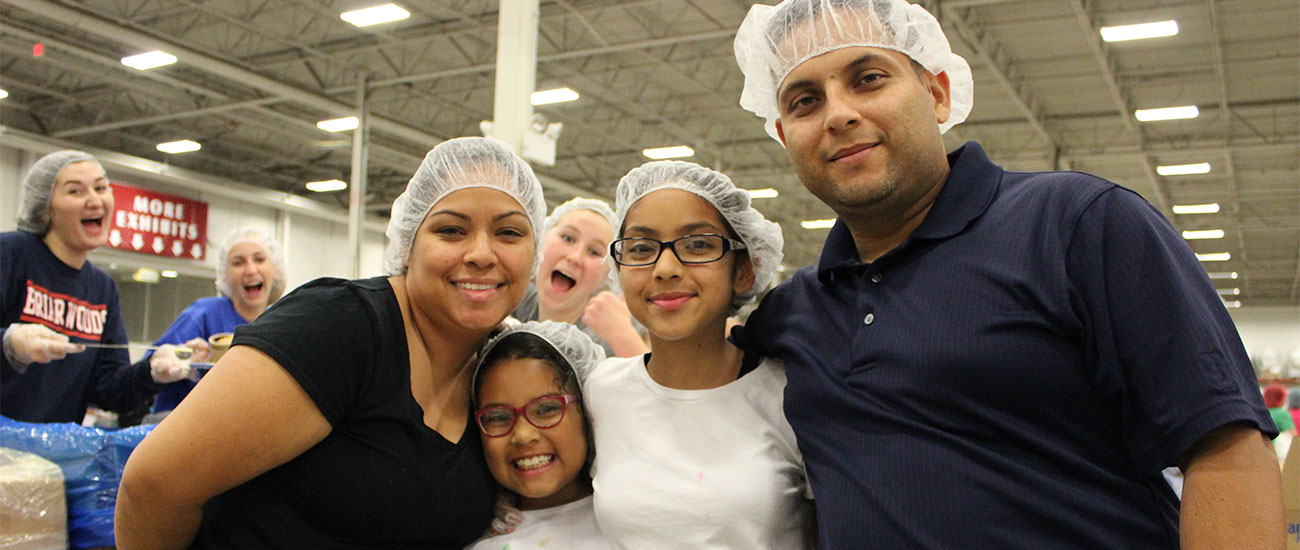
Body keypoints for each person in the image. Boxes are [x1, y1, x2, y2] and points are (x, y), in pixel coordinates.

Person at [732, 0, 1282, 547]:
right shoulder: (792, 313)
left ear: (938, 93)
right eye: (805, 101)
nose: (838, 113)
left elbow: (1225, 452)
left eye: (869, 78)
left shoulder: (1078, 225)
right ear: (785, 135)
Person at [114, 137, 547, 549]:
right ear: (408, 244)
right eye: (451, 230)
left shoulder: (498, 370)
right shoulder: (340, 328)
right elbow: (152, 488)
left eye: (509, 233)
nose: (481, 253)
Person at [583, 160, 812, 548]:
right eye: (640, 248)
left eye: (698, 245)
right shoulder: (600, 392)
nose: (665, 267)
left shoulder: (791, 397)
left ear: (744, 270)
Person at [1, 150, 188, 423]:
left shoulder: (102, 289)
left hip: (51, 459)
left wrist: (152, 372)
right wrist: (10, 343)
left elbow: (110, 391)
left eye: (101, 187)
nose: (94, 199)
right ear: (43, 207)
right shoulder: (10, 254)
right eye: (75, 191)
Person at [465, 320, 616, 550]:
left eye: (546, 409)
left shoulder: (628, 525)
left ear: (588, 412)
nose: (523, 435)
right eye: (497, 417)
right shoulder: (483, 542)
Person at [146, 228, 288, 414]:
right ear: (224, 274)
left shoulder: (279, 325)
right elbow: (153, 365)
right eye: (238, 263)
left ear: (274, 268)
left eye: (259, 259)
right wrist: (181, 362)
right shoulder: (203, 314)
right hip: (183, 428)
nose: (251, 270)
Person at [512, 198, 648, 357]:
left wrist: (623, 335)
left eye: (594, 252)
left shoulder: (603, 342)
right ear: (541, 240)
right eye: (568, 238)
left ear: (607, 277)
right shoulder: (518, 301)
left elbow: (657, 381)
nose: (575, 257)